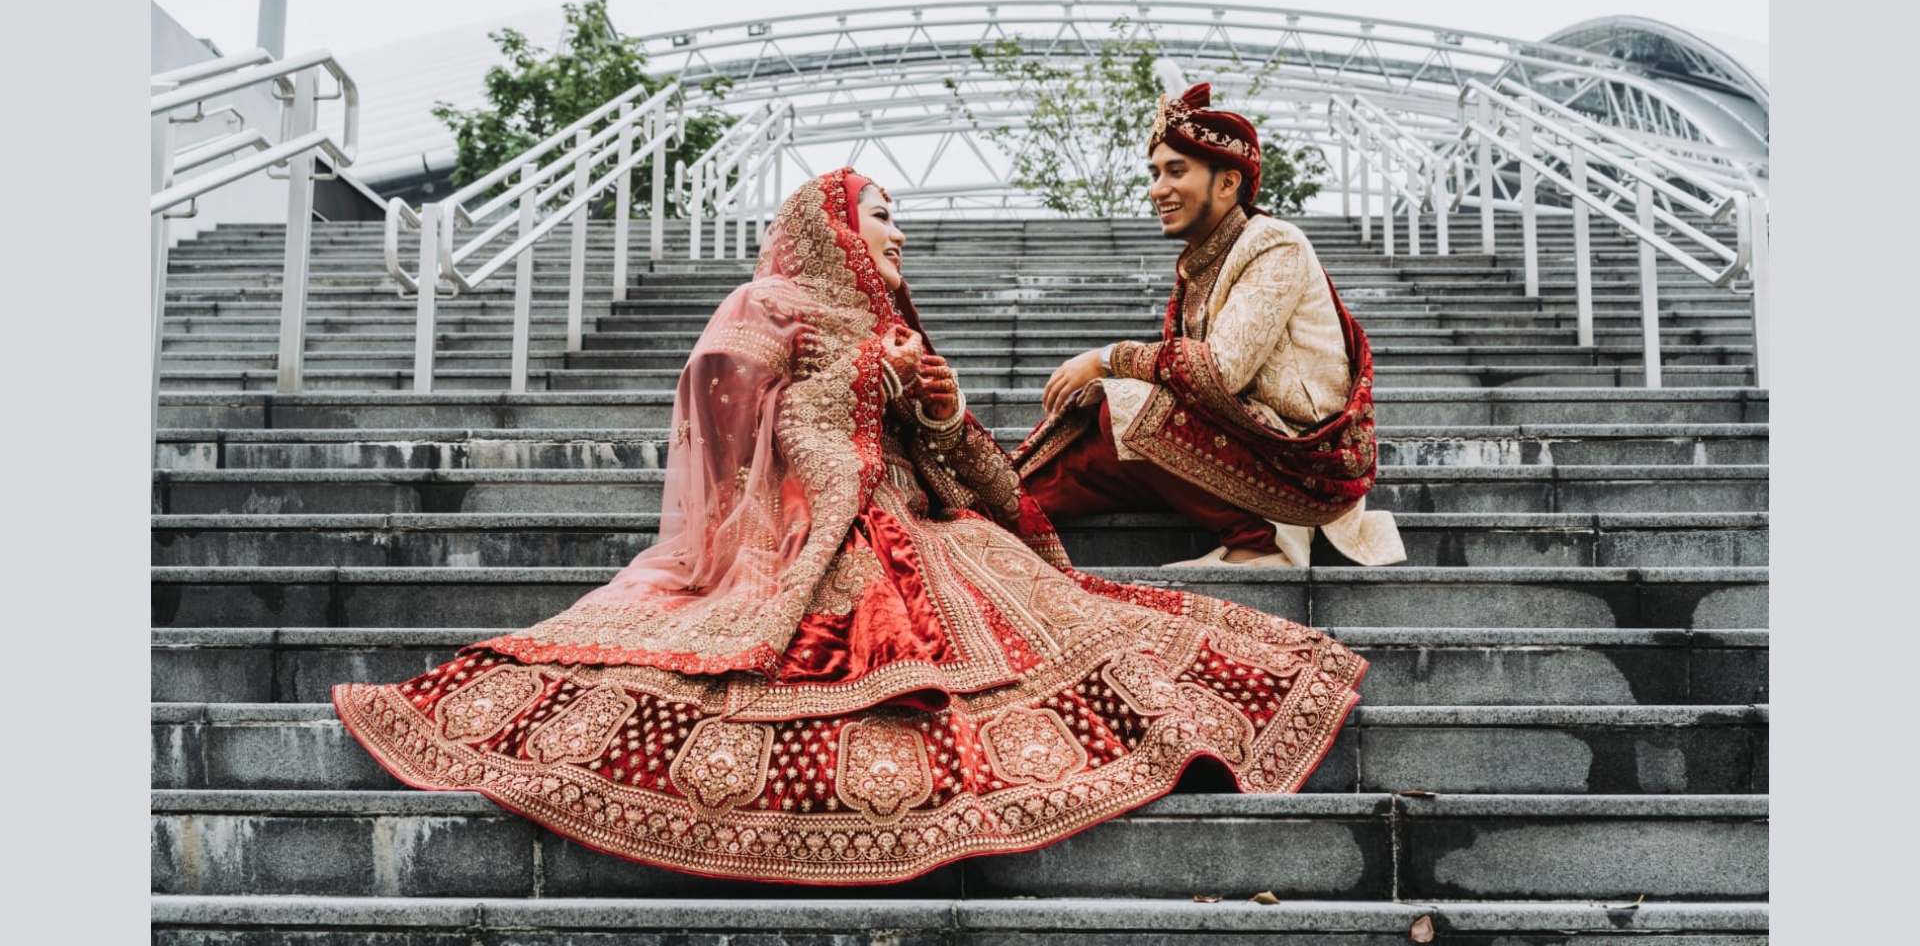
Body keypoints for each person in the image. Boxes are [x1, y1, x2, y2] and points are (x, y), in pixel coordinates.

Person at [334, 167, 1367, 884]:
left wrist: (939, 410)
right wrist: (868, 382)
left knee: (1079, 632)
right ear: (830, 226)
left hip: (924, 529)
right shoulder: (770, 301)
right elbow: (718, 408)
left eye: (893, 214)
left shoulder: (891, 326)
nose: (898, 232)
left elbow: (967, 471)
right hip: (811, 534)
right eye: (879, 214)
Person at [1013, 84, 1405, 568]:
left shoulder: (1274, 243)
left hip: (1301, 463)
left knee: (1130, 405)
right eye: (1155, 173)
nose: (1158, 188)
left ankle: (1262, 542)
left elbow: (1221, 372)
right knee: (1089, 431)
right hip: (1241, 444)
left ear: (1227, 183)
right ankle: (991, 513)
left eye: (1177, 171)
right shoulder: (1201, 263)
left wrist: (1106, 359)